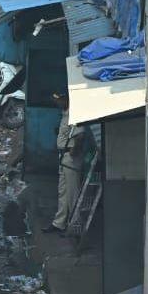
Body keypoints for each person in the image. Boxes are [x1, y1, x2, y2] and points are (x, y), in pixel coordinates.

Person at [45, 92, 85, 235]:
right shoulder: (65, 114)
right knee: (62, 191)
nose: (57, 103)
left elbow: (80, 135)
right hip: (64, 156)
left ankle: (75, 226)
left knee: (72, 193)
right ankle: (59, 223)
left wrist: (74, 151)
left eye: (59, 100)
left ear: (66, 99)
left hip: (71, 156)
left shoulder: (74, 113)